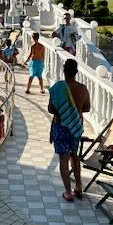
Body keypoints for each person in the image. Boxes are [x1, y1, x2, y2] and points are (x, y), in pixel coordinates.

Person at [48, 58, 91, 202]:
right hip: (76, 127)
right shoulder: (83, 88)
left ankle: (68, 192)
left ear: (64, 70)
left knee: (63, 158)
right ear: (76, 72)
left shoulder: (58, 88)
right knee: (74, 156)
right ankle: (78, 187)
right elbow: (86, 108)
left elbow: (51, 109)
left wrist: (62, 108)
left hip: (61, 127)